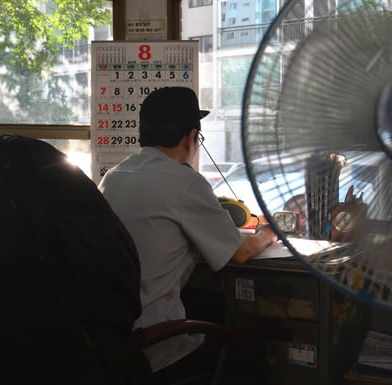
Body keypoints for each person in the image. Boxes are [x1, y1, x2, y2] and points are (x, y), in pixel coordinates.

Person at [98, 86, 277, 382]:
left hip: (108, 338)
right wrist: (271, 231)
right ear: (192, 136)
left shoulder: (113, 177)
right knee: (250, 343)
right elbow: (241, 253)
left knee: (205, 305)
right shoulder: (184, 182)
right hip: (153, 347)